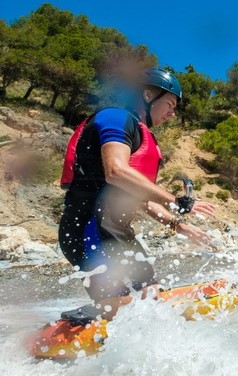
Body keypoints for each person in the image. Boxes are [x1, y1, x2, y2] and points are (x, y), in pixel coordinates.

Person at [58, 68, 216, 319]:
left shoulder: (137, 131)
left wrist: (179, 226)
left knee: (149, 291)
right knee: (119, 305)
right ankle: (93, 326)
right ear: (147, 94)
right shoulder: (116, 118)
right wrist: (176, 200)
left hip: (116, 233)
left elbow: (137, 197)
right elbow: (115, 172)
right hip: (90, 232)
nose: (173, 114)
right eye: (170, 104)